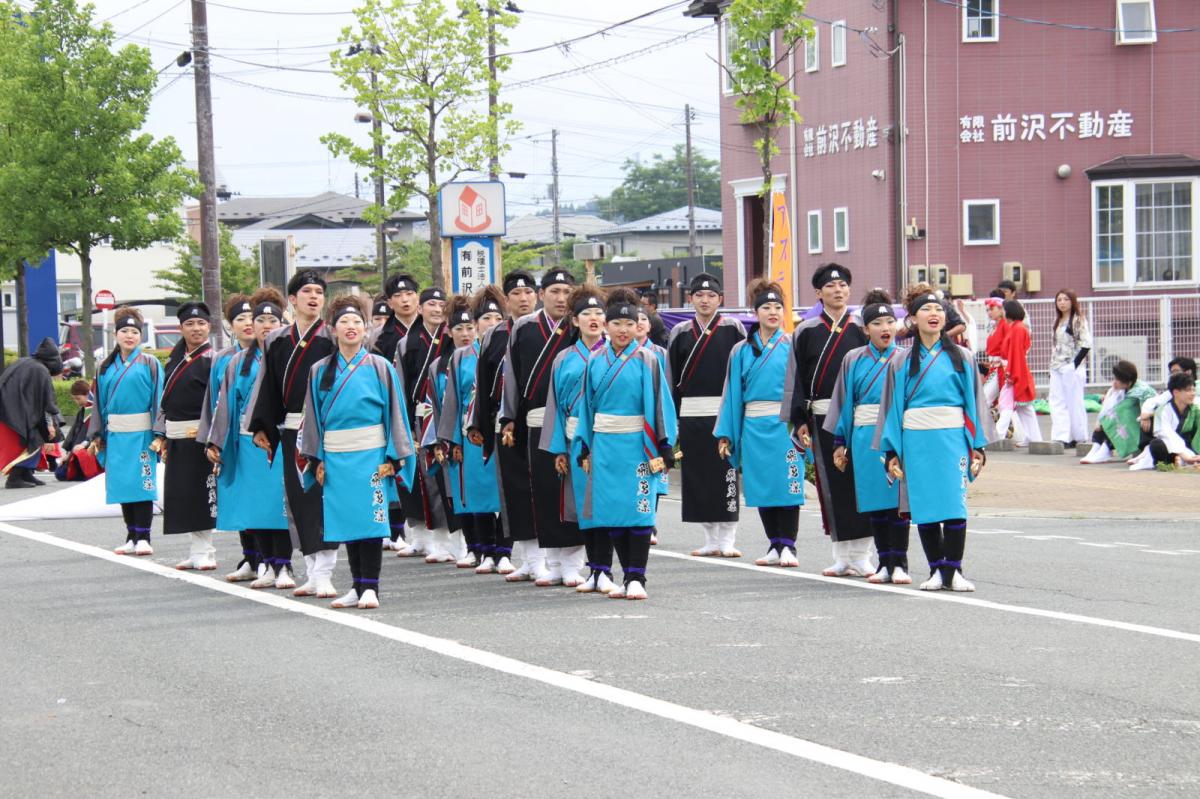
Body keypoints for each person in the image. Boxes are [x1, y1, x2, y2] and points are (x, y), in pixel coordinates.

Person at [301, 295, 417, 609]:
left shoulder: (380, 367)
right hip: (337, 456)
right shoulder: (318, 371)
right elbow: (312, 418)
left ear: (365, 329)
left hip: (372, 455)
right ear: (332, 329)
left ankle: (371, 587)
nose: (351, 328)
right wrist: (316, 459)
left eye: (357, 323)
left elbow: (396, 414)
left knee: (371, 519)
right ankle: (356, 585)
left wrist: (394, 457)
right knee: (348, 520)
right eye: (344, 323)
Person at [875, 291, 993, 592]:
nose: (934, 314)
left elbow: (974, 404)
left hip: (952, 438)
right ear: (913, 319)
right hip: (916, 440)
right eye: (926, 309)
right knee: (925, 505)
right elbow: (892, 408)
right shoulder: (900, 361)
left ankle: (954, 569)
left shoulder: (962, 357)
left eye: (938, 309)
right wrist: (892, 451)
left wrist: (977, 444)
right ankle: (936, 569)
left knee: (954, 503)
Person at [572, 295, 678, 600]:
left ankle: (637, 577)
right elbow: (587, 409)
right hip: (604, 445)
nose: (622, 329)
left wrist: (665, 444)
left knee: (640, 512)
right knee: (612, 513)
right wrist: (584, 446)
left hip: (638, 445)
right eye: (616, 323)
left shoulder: (648, 359)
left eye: (629, 323)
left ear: (637, 327)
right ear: (606, 326)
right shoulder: (594, 361)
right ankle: (623, 575)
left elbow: (661, 404)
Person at [248, 270, 338, 597]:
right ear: (293, 299)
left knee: (323, 499)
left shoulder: (333, 336)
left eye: (319, 291)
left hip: (326, 428)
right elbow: (269, 387)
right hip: (290, 428)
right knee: (299, 499)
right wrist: (262, 425)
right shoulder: (277, 339)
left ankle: (326, 569)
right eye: (307, 291)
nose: (314, 297)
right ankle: (312, 569)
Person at [782, 264, 874, 577]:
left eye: (843, 285)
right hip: (821, 415)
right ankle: (841, 555)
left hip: (860, 417)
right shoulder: (805, 331)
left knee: (862, 483)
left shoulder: (864, 326)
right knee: (832, 486)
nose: (838, 290)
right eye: (830, 286)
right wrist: (800, 418)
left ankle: (862, 555)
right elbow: (796, 378)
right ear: (819, 293)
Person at [202, 289, 294, 589]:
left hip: (279, 442)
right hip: (246, 445)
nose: (266, 325)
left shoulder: (289, 357)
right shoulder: (236, 362)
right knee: (254, 507)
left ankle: (285, 565)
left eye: (273, 320)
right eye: (260, 320)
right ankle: (266, 563)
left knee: (277, 507)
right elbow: (225, 407)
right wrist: (215, 442)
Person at [714, 279, 804, 568]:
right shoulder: (740, 350)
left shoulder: (792, 345)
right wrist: (727, 432)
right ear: (756, 312)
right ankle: (774, 543)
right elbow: (732, 394)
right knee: (763, 485)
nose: (773, 312)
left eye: (778, 307)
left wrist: (802, 424)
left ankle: (789, 544)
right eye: (766, 307)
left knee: (788, 483)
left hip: (784, 424)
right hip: (753, 424)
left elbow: (801, 388)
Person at [499, 268, 581, 582]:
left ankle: (572, 564)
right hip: (533, 419)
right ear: (541, 294)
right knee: (540, 492)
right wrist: (509, 418)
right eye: (554, 291)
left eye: (566, 292)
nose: (561, 298)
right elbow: (512, 379)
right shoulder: (524, 327)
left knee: (570, 494)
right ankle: (546, 562)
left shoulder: (579, 325)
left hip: (571, 421)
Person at [825, 290, 910, 584]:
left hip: (896, 437)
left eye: (890, 322)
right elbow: (844, 402)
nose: (885, 328)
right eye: (877, 323)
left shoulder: (905, 358)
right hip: (863, 437)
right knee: (874, 500)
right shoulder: (853, 359)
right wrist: (840, 442)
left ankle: (900, 562)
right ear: (865, 329)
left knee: (897, 501)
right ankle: (884, 562)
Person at [667, 274, 746, 558]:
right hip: (690, 414)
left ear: (720, 299)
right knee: (698, 475)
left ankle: (727, 538)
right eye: (699, 295)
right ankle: (709, 537)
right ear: (690, 299)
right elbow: (670, 376)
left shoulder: (733, 328)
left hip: (724, 412)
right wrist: (673, 416)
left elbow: (741, 371)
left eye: (711, 295)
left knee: (725, 473)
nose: (705, 300)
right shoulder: (679, 332)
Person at [466, 270, 539, 575]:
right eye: (516, 295)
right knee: (515, 491)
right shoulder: (496, 334)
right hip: (505, 424)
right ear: (507, 300)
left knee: (544, 491)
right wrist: (478, 423)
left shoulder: (550, 331)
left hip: (538, 422)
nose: (523, 299)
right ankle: (529, 559)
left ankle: (556, 559)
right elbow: (483, 383)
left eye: (528, 293)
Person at [542, 283, 609, 590]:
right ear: (574, 321)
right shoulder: (563, 359)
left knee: (607, 503)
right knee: (581, 504)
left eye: (599, 313)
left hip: (609, 440)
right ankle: (588, 568)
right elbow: (554, 406)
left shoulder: (617, 356)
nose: (593, 318)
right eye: (587, 313)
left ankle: (604, 569)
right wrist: (557, 449)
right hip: (573, 440)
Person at [436, 287, 506, 573]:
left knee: (503, 493)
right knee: (477, 492)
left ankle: (503, 551)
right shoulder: (461, 357)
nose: (490, 323)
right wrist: (451, 438)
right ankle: (482, 549)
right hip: (471, 432)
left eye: (496, 317)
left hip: (499, 429)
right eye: (485, 318)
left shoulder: (505, 350)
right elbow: (453, 401)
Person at [88, 308, 162, 556]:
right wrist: (97, 433)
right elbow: (97, 403)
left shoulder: (150, 363)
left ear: (140, 336)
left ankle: (144, 535)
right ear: (116, 334)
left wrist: (159, 433)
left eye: (134, 332)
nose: (129, 336)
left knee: (142, 483)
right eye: (124, 331)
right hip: (115, 435)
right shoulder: (104, 366)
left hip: (142, 434)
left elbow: (158, 399)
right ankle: (131, 534)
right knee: (122, 485)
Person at [197, 294, 260, 582]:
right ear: (229, 325)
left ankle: (269, 558)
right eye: (240, 319)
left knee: (263, 499)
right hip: (231, 437)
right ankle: (249, 555)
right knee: (236, 498)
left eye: (252, 318)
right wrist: (213, 440)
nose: (247, 324)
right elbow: (213, 402)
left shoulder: (270, 352)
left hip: (259, 438)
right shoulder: (222, 359)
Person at [395, 286, 460, 562]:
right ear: (420, 308)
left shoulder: (453, 338)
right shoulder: (407, 343)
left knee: (446, 478)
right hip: (420, 418)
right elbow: (400, 385)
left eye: (440, 304)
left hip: (448, 415)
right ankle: (424, 537)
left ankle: (450, 540)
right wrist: (405, 423)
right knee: (420, 476)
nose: (436, 309)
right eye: (430, 304)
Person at [153, 301, 218, 571]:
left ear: (209, 327)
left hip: (201, 436)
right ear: (181, 328)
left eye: (201, 323)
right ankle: (196, 550)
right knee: (184, 496)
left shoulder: (214, 360)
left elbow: (217, 401)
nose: (196, 328)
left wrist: (213, 437)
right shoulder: (174, 360)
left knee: (202, 494)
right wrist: (163, 435)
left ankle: (206, 551)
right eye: (190, 324)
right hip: (177, 436)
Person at [372, 273, 421, 552]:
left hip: (424, 407)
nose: (405, 300)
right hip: (391, 407)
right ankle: (393, 527)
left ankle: (420, 529)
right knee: (391, 464)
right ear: (389, 302)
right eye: (398, 296)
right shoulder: (383, 337)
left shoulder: (433, 329)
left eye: (410, 294)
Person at [0, 337, 63, 488]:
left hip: (7, 412)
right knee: (34, 438)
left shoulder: (25, 362)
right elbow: (47, 401)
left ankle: (26, 474)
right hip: (16, 414)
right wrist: (50, 424)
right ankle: (15, 478)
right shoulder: (41, 370)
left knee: (30, 438)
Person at [1079, 360, 1155, 465]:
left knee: (1120, 413)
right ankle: (1097, 447)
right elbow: (1107, 406)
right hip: (1132, 422)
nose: (1114, 382)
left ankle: (1106, 448)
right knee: (1112, 414)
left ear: (1127, 381)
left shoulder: (1143, 390)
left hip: (1143, 424)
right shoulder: (1119, 388)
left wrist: (1146, 417)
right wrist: (1099, 421)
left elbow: (1153, 406)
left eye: (1117, 379)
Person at [1047, 290, 1092, 447]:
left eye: (1066, 299)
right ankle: (1061, 436)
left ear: (1072, 301)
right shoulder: (1058, 321)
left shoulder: (1079, 320)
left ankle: (1078, 436)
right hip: (1056, 367)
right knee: (1057, 401)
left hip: (1072, 367)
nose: (1062, 302)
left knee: (1074, 401)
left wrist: (1074, 365)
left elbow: (1086, 344)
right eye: (1059, 299)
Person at [1128, 372, 1200, 470]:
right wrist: (1185, 455)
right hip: (1172, 446)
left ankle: (1184, 461)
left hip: (1191, 446)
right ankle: (1177, 460)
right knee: (1156, 444)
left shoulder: (1196, 409)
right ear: (1176, 392)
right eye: (1188, 390)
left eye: (1193, 390)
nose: (1192, 394)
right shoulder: (1163, 411)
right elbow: (1167, 435)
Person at [994, 300, 1040, 447]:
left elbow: (1016, 354)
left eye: (1003, 310)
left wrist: (1011, 374)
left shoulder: (1017, 329)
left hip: (1015, 371)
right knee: (1024, 408)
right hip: (1016, 371)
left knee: (1006, 405)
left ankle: (997, 435)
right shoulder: (1017, 328)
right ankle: (1034, 437)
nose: (1002, 312)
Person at [54, 379, 102, 482]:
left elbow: (95, 433)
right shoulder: (83, 411)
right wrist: (68, 454)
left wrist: (84, 444)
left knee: (63, 473)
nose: (77, 402)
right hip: (79, 449)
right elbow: (75, 434)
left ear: (87, 395)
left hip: (92, 447)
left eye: (78, 398)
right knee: (60, 472)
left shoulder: (95, 410)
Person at [980, 297, 1007, 409]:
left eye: (992, 309)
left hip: (1001, 368)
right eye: (987, 310)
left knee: (985, 399)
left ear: (1001, 309)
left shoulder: (1005, 325)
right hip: (994, 368)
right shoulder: (994, 325)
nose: (989, 312)